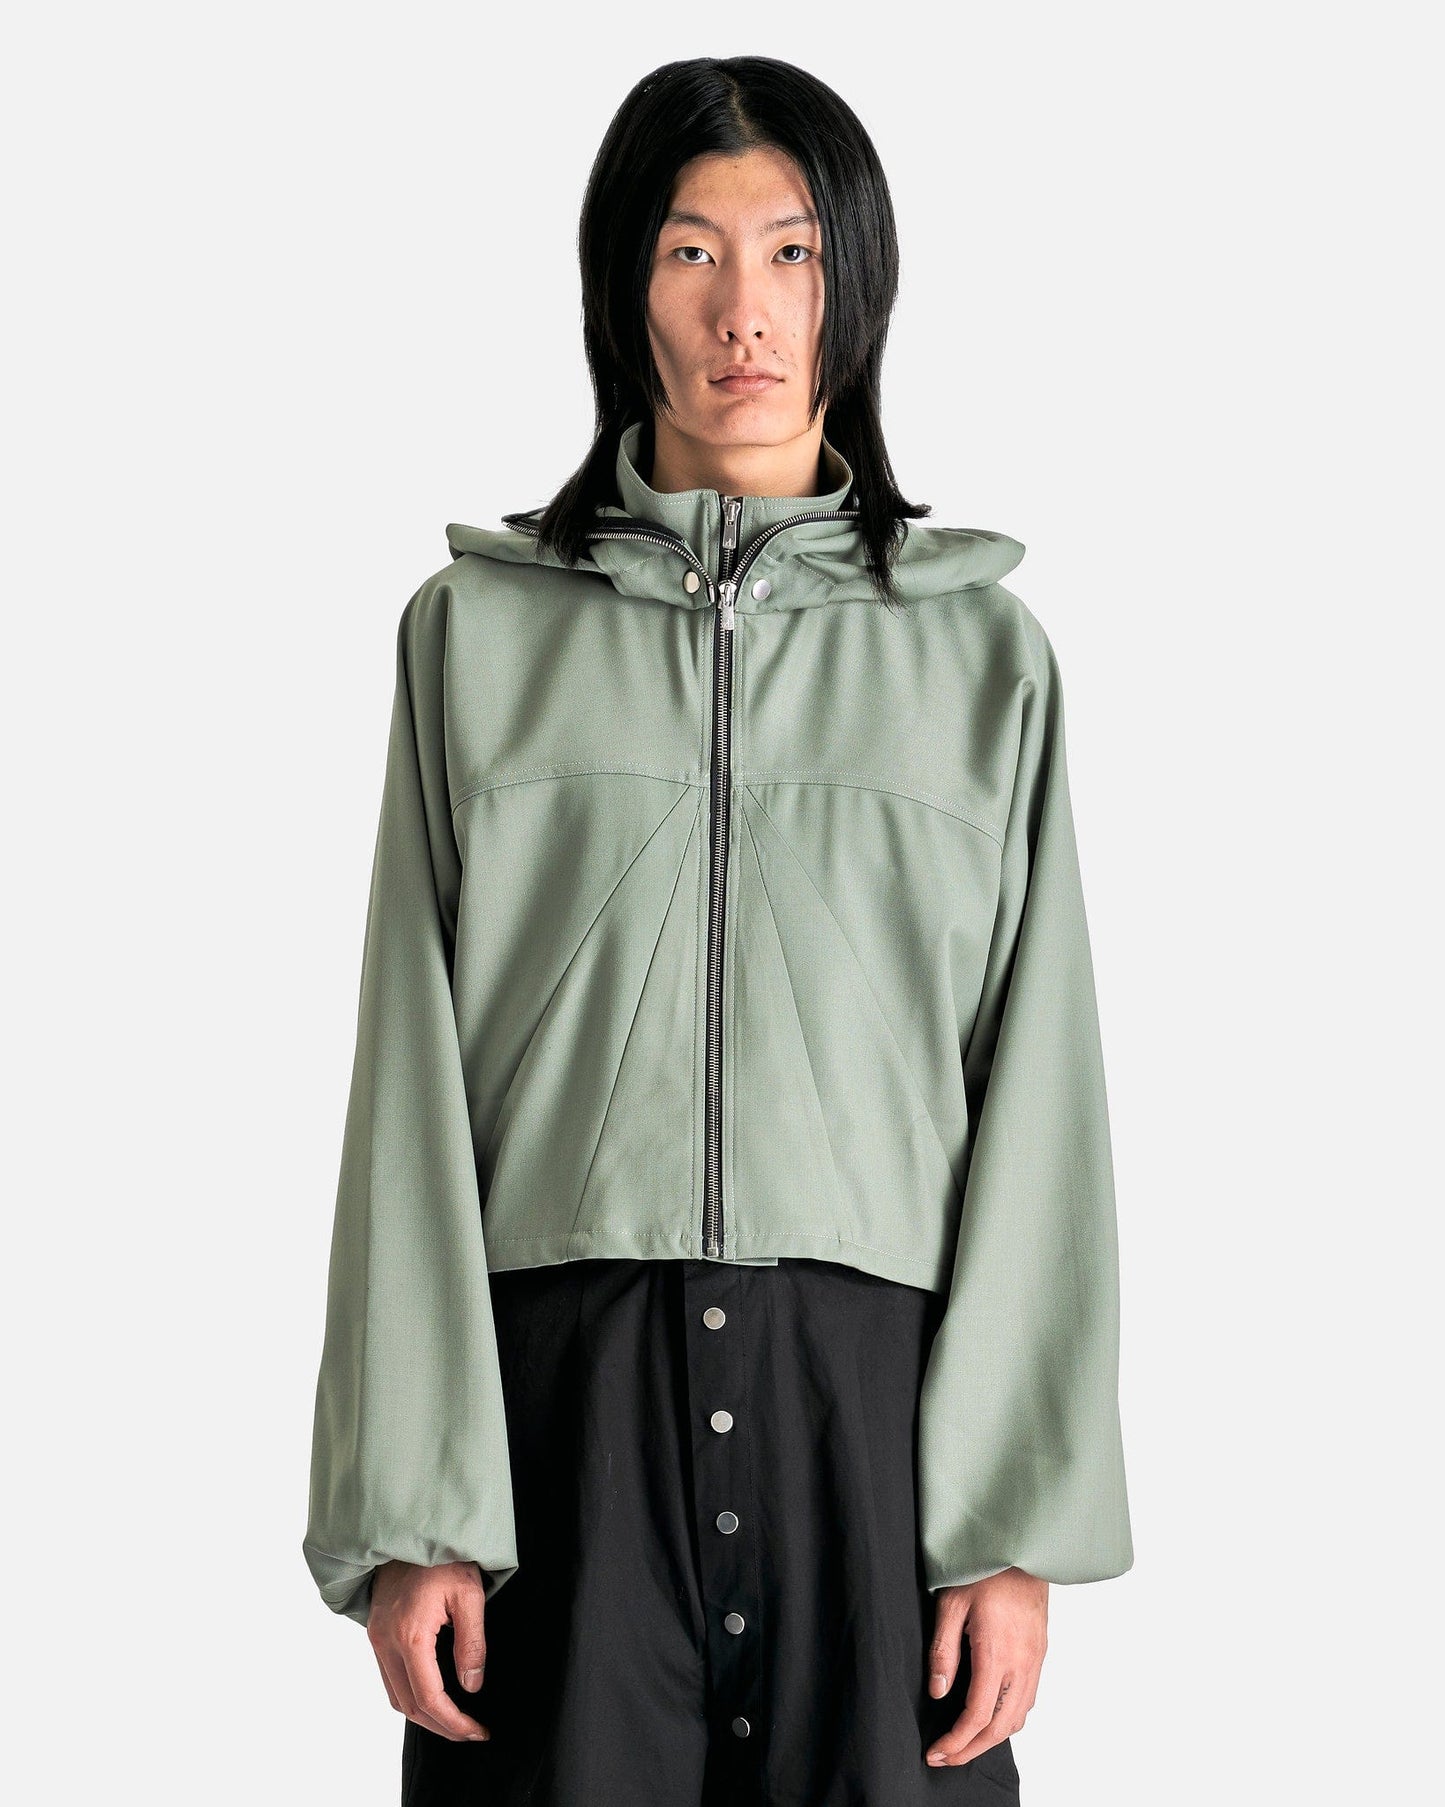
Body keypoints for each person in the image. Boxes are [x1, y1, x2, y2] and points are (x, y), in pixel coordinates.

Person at [303, 53, 1133, 1807]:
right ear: (622, 287)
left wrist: (1009, 1524)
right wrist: (416, 1507)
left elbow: (1039, 1092)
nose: (742, 310)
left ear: (855, 284)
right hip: (555, 1422)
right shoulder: (474, 641)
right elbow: (405, 1083)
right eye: (689, 252)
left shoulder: (981, 660)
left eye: (791, 252)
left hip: (874, 1424)